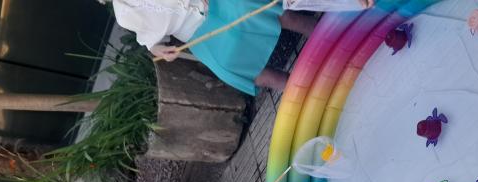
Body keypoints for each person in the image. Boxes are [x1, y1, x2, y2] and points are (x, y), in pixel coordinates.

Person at [103, 0, 318, 94]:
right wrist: (162, 51)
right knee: (234, 66)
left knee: (266, 13)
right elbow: (150, 42)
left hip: (214, 3)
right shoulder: (124, 15)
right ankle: (304, 91)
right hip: (196, 34)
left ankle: (324, 34)